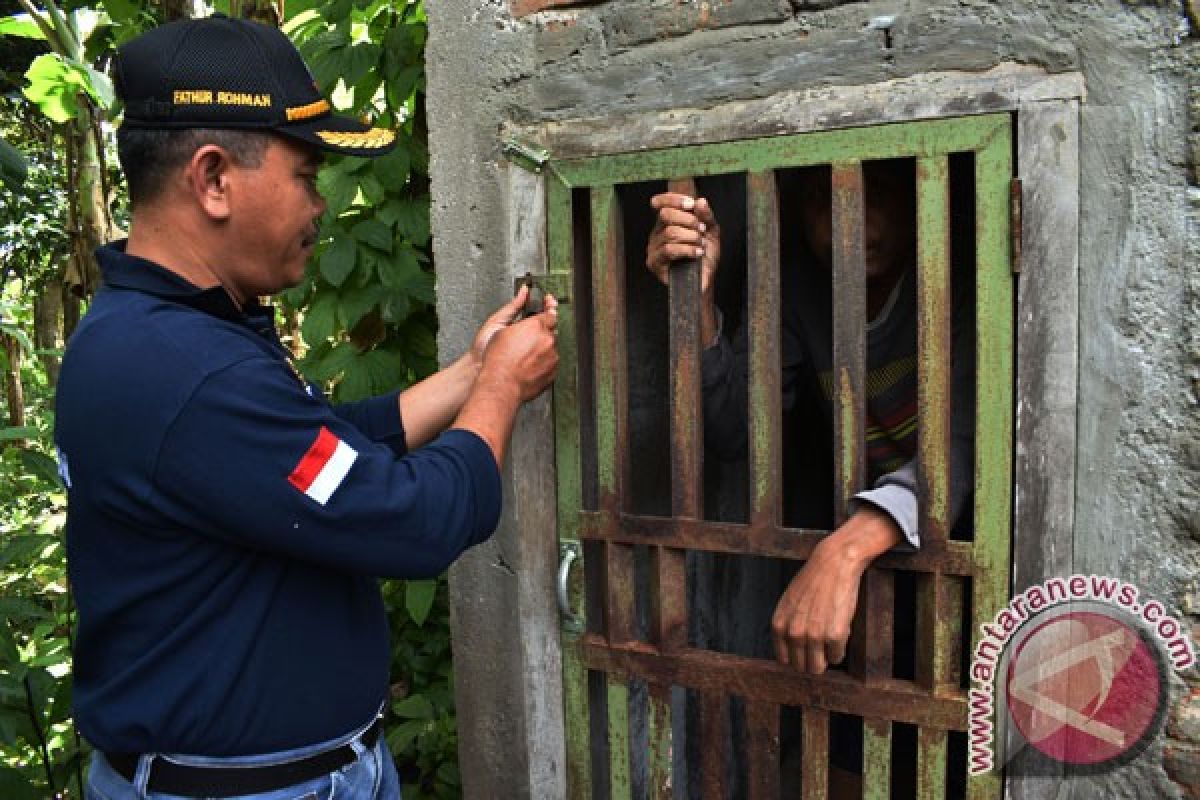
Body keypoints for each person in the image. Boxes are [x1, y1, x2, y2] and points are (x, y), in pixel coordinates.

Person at [53, 16, 557, 800]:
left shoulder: (160, 337)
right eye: (306, 174)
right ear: (214, 178)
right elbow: (411, 520)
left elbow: (314, 458)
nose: (320, 205)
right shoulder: (190, 372)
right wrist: (501, 392)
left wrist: (469, 372)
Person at [645, 162, 975, 790]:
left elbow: (963, 450)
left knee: (963, 754)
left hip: (968, 559)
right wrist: (700, 298)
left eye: (875, 191)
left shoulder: (957, 273)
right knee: (849, 749)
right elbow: (736, 432)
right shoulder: (799, 285)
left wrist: (844, 549)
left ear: (919, 198)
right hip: (874, 569)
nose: (849, 218)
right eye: (818, 201)